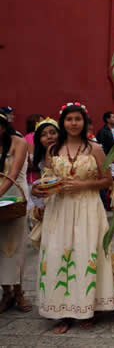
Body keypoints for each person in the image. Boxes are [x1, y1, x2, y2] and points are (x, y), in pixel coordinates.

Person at [31, 103, 114, 333]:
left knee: (86, 252)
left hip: (87, 207)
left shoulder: (96, 149)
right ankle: (62, 312)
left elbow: (108, 180)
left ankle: (88, 307)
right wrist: (38, 191)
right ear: (63, 123)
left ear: (84, 121)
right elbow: (47, 180)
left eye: (78, 119)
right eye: (69, 119)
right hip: (60, 209)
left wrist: (82, 184)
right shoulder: (52, 151)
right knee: (60, 253)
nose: (73, 123)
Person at [0, 112, 31, 313]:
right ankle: (6, 292)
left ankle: (19, 292)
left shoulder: (18, 142)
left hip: (13, 196)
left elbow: (12, 173)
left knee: (15, 246)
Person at [28, 118, 60, 247]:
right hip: (48, 198)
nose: (49, 137)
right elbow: (42, 180)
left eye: (53, 132)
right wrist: (39, 204)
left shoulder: (63, 153)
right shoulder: (41, 155)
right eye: (43, 135)